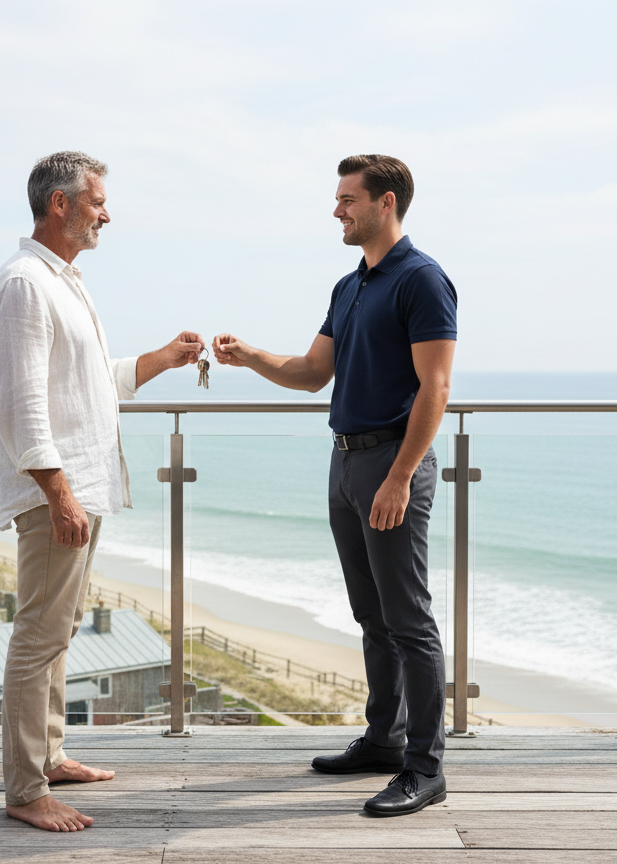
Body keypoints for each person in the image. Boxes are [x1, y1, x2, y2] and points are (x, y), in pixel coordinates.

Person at [212, 154, 457, 817]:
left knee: (409, 621)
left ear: (386, 203)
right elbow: (313, 372)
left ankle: (425, 767)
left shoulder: (422, 280)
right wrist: (249, 356)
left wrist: (401, 476)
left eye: (348, 199)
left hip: (390, 464)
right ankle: (384, 739)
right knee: (371, 616)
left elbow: (435, 387)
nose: (337, 210)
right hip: (345, 463)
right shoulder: (349, 287)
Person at [0, 151, 204, 832]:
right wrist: (59, 494)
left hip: (76, 485)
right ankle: (25, 789)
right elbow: (22, 405)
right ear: (60, 204)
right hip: (58, 491)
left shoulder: (60, 281)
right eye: (97, 201)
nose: (106, 213)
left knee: (58, 630)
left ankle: (47, 757)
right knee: (39, 636)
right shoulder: (25, 284)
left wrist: (162, 359)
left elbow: (85, 380)